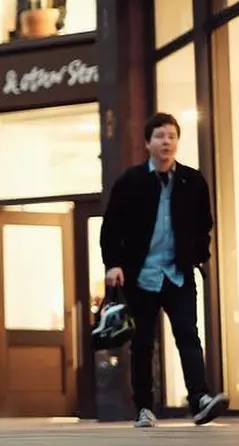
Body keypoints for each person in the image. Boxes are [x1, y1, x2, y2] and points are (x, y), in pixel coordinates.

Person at [100, 112, 229, 427]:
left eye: (171, 136)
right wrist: (113, 264)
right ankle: (144, 407)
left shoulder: (193, 181)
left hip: (178, 273)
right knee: (143, 342)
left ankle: (198, 397)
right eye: (159, 136)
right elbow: (111, 227)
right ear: (148, 143)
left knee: (188, 335)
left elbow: (204, 224)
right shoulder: (130, 182)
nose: (166, 142)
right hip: (141, 276)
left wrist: (199, 255)